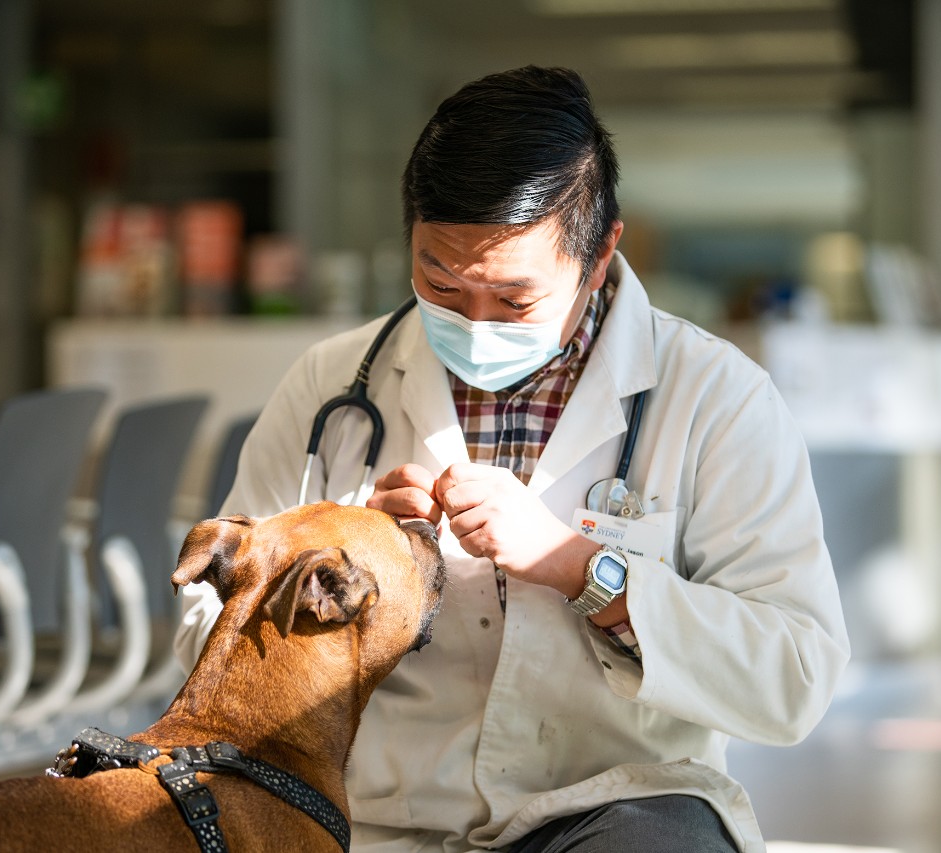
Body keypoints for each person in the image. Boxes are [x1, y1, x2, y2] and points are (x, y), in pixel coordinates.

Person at [174, 65, 849, 853]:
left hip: (611, 809)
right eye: (441, 283)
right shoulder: (332, 386)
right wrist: (340, 570)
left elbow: (794, 679)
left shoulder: (716, 398)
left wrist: (583, 568)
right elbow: (200, 640)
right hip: (371, 819)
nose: (475, 323)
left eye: (514, 300)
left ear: (599, 259)